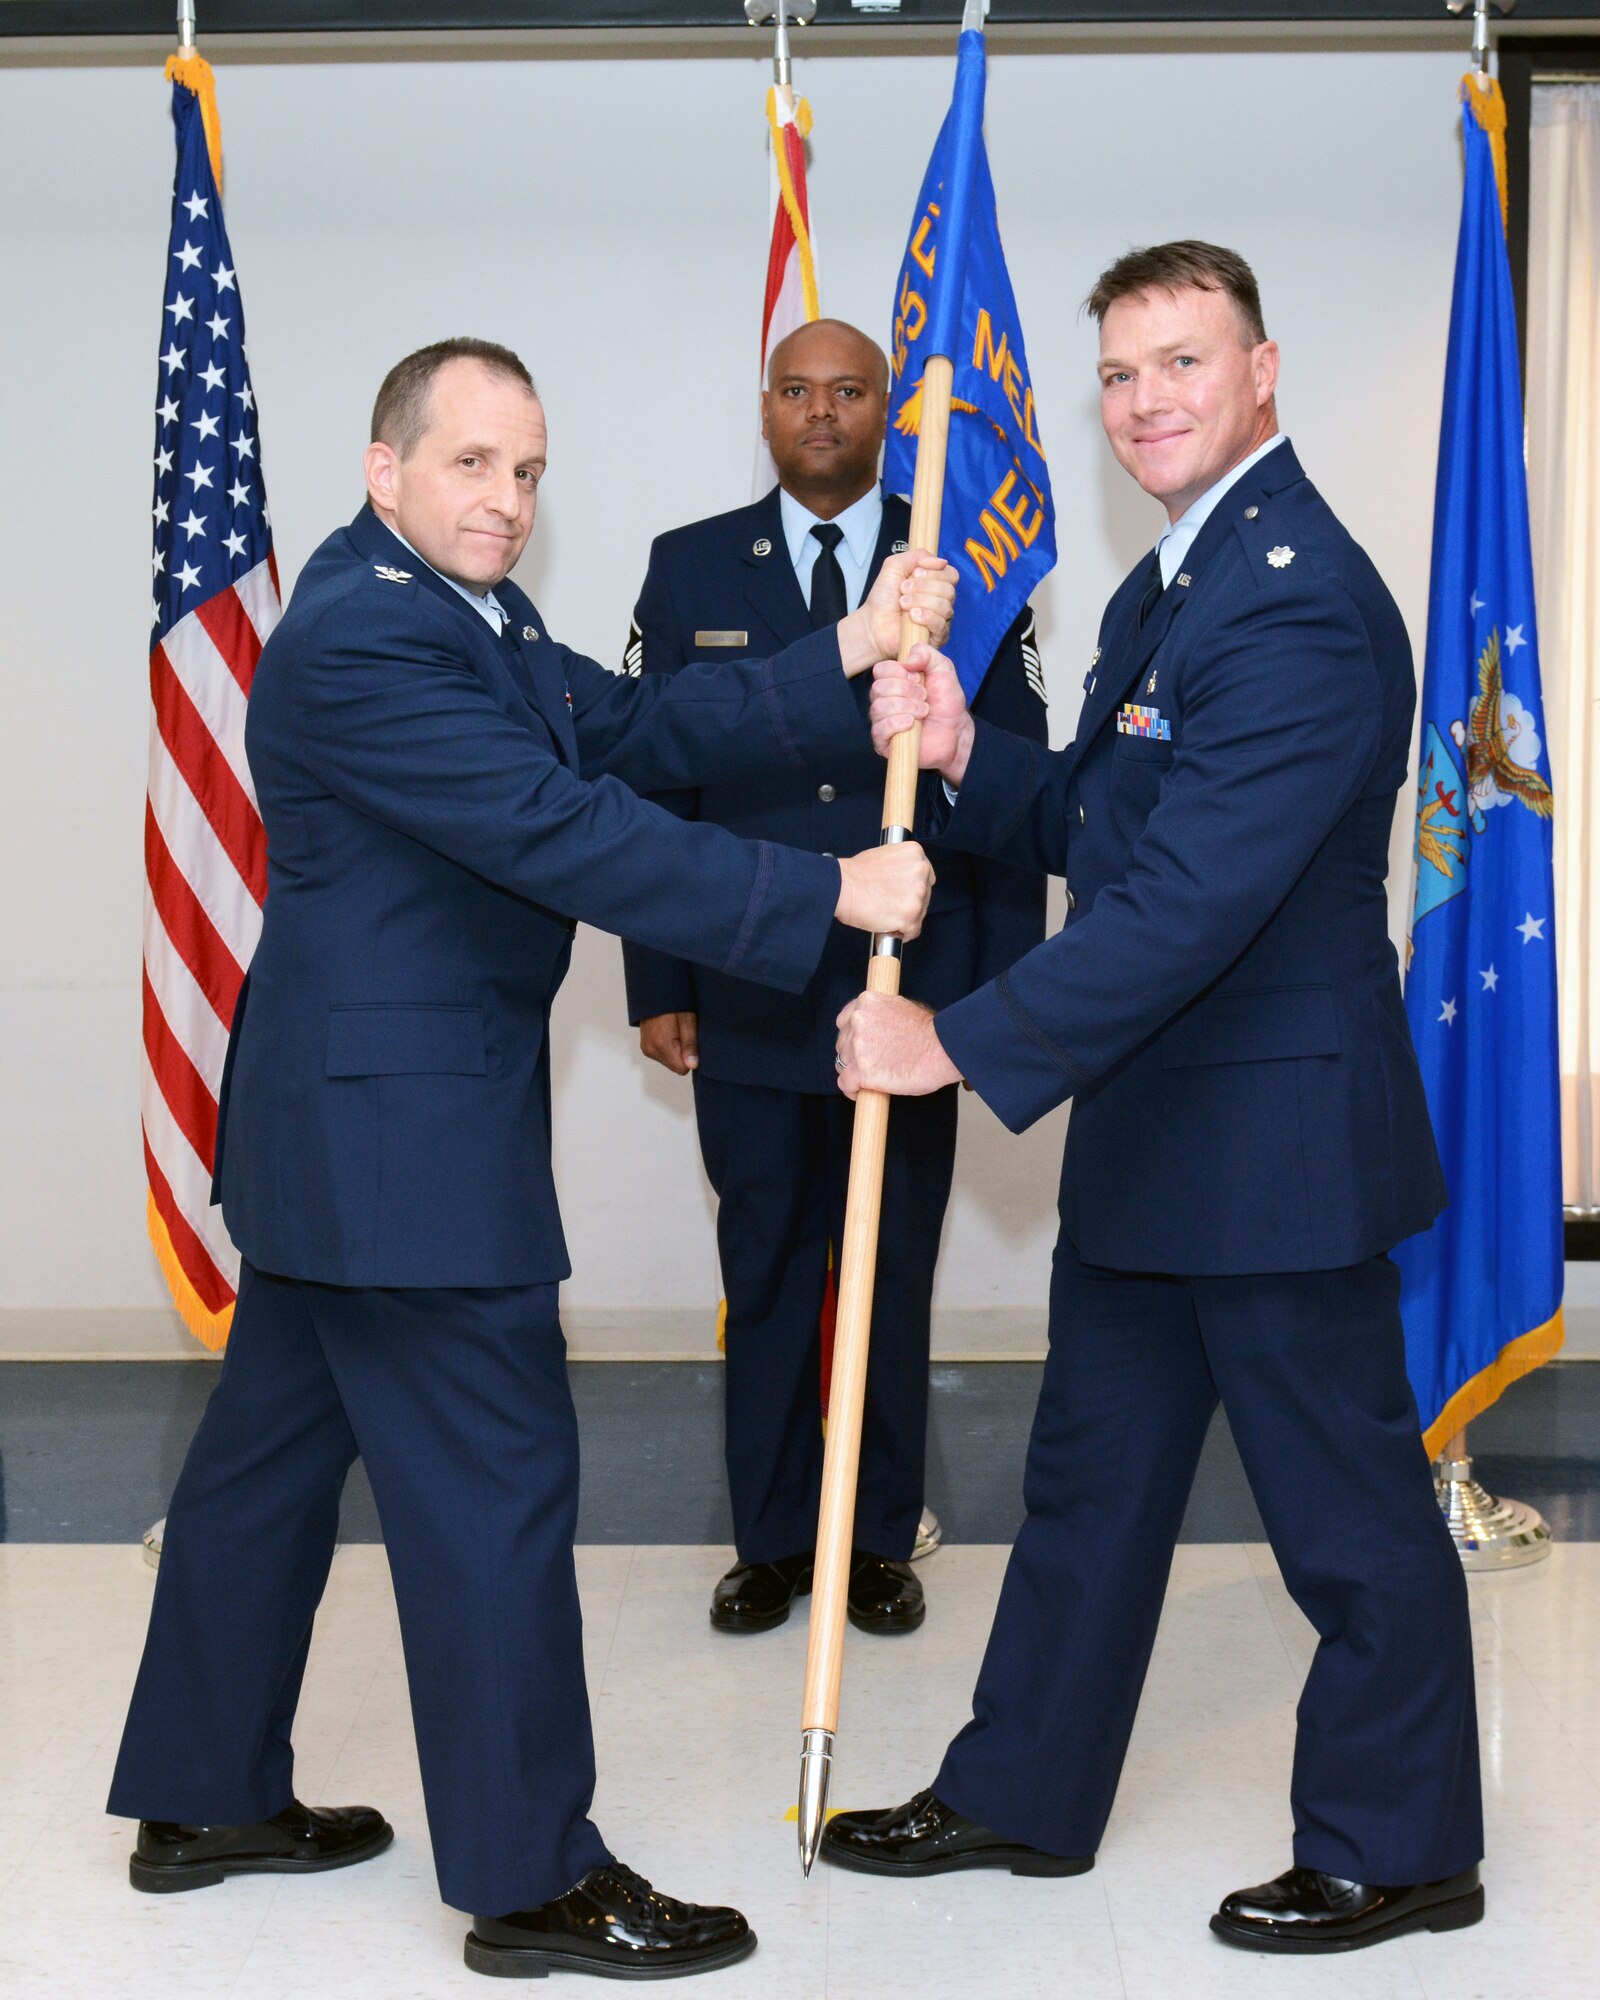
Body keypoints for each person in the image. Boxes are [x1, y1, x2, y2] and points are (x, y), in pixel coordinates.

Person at [107, 337, 953, 1984]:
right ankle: (532, 1878)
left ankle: (205, 1795)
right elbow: (559, 824)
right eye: (473, 465)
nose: (506, 500)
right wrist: (827, 897)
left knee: (265, 1477)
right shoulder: (363, 638)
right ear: (386, 468)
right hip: (398, 1152)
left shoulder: (457, 615)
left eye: (529, 471)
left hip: (348, 1133)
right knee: (496, 1492)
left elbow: (638, 724)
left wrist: (844, 643)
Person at [826, 244, 1485, 1956]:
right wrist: (976, 759)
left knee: (1343, 1522)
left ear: (1264, 370)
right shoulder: (1172, 589)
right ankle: (1024, 1792)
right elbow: (1109, 835)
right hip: (1155, 1137)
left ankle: (1402, 1847)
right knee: (1090, 1492)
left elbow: (1195, 897)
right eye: (1119, 374)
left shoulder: (1296, 598)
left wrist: (955, 1042)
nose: (1146, 403)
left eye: (1182, 363)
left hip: (1272, 1151)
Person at [622, 318, 1047, 1636]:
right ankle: (768, 1543)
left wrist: (993, 1003)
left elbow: (1016, 788)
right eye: (797, 391)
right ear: (766, 409)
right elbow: (652, 787)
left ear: (885, 411)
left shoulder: (962, 564)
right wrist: (657, 982)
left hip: (907, 1000)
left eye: (849, 391)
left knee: (888, 1267)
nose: (821, 413)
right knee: (763, 1265)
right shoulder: (688, 565)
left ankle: (872, 1540)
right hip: (745, 989)